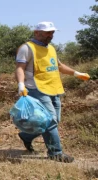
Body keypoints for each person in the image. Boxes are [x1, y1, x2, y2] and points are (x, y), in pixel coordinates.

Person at [15, 21, 90, 163]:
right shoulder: (27, 48)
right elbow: (20, 67)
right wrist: (21, 85)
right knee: (50, 120)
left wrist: (76, 73)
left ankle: (26, 136)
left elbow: (59, 66)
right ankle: (55, 152)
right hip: (36, 88)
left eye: (52, 32)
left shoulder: (51, 48)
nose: (51, 35)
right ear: (37, 33)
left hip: (54, 88)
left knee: (53, 120)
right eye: (48, 32)